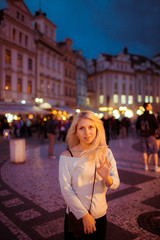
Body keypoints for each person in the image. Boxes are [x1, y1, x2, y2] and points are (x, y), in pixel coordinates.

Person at [59, 111, 120, 240]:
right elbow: (66, 190)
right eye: (82, 128)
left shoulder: (106, 153)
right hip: (76, 217)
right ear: (75, 131)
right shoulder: (67, 156)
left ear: (97, 128)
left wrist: (106, 177)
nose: (87, 133)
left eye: (91, 127)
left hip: (100, 216)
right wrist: (84, 215)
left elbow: (115, 183)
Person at [136, 102, 160, 172]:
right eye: (150, 106)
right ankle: (156, 166)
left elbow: (137, 126)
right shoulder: (152, 116)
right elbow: (156, 126)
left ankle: (145, 166)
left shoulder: (140, 117)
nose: (151, 106)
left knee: (144, 151)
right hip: (151, 136)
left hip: (142, 136)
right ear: (147, 107)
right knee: (154, 151)